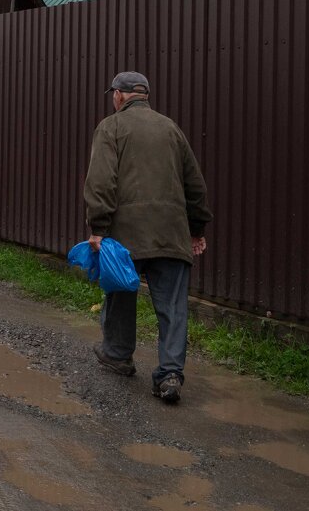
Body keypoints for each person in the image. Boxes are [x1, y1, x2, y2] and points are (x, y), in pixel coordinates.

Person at [83, 71, 212, 404]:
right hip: (171, 234)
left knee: (120, 290)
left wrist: (98, 227)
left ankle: (117, 356)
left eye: (113, 94)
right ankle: (170, 374)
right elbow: (195, 185)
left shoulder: (111, 127)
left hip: (127, 235)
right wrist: (196, 229)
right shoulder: (171, 129)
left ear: (121, 96)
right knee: (173, 307)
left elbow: (101, 181)